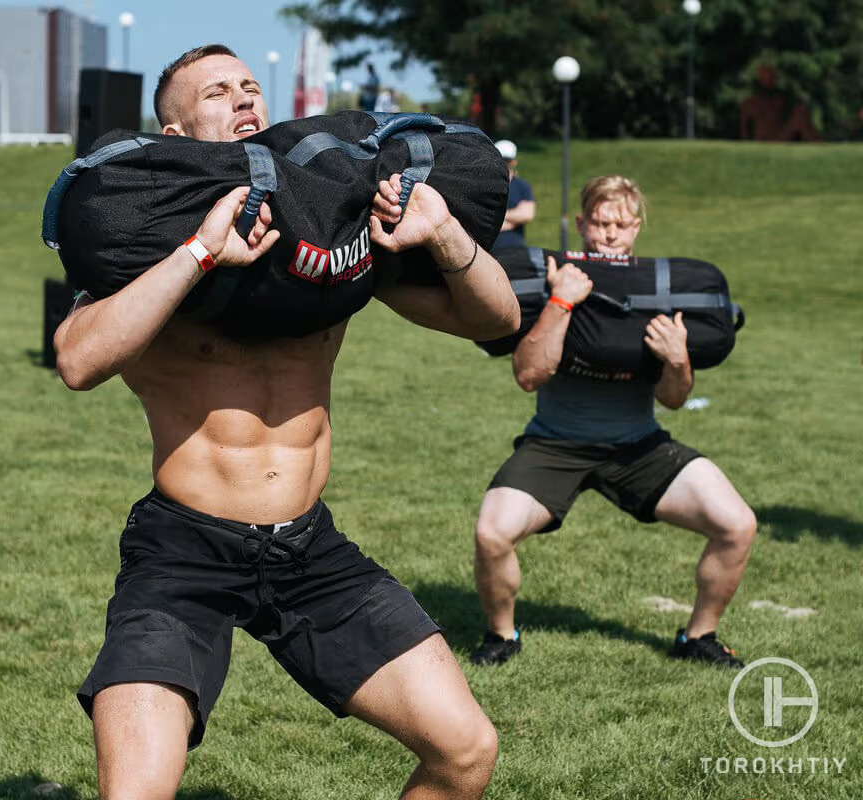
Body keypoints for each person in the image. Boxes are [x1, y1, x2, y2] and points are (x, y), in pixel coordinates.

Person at [55, 44, 520, 799]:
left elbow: (497, 320)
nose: (242, 99)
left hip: (311, 552)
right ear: (174, 136)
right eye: (215, 93)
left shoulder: (328, 225)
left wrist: (442, 235)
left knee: (465, 751)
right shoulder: (145, 239)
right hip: (185, 554)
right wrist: (199, 254)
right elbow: (77, 360)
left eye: (249, 86)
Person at [469, 174, 757, 668]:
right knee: (492, 533)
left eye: (620, 225)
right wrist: (562, 302)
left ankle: (698, 637)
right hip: (555, 445)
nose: (609, 234)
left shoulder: (659, 293)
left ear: (636, 228)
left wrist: (677, 358)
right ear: (581, 224)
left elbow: (672, 400)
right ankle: (502, 635)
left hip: (638, 446)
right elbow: (528, 376)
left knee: (738, 524)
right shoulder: (553, 283)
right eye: (600, 223)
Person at [490, 140, 535, 252]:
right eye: (500, 159)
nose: (503, 163)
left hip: (514, 249)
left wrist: (494, 218)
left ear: (515, 162)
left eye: (507, 160)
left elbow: (527, 214)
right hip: (488, 249)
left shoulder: (522, 185)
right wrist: (512, 219)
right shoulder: (484, 184)